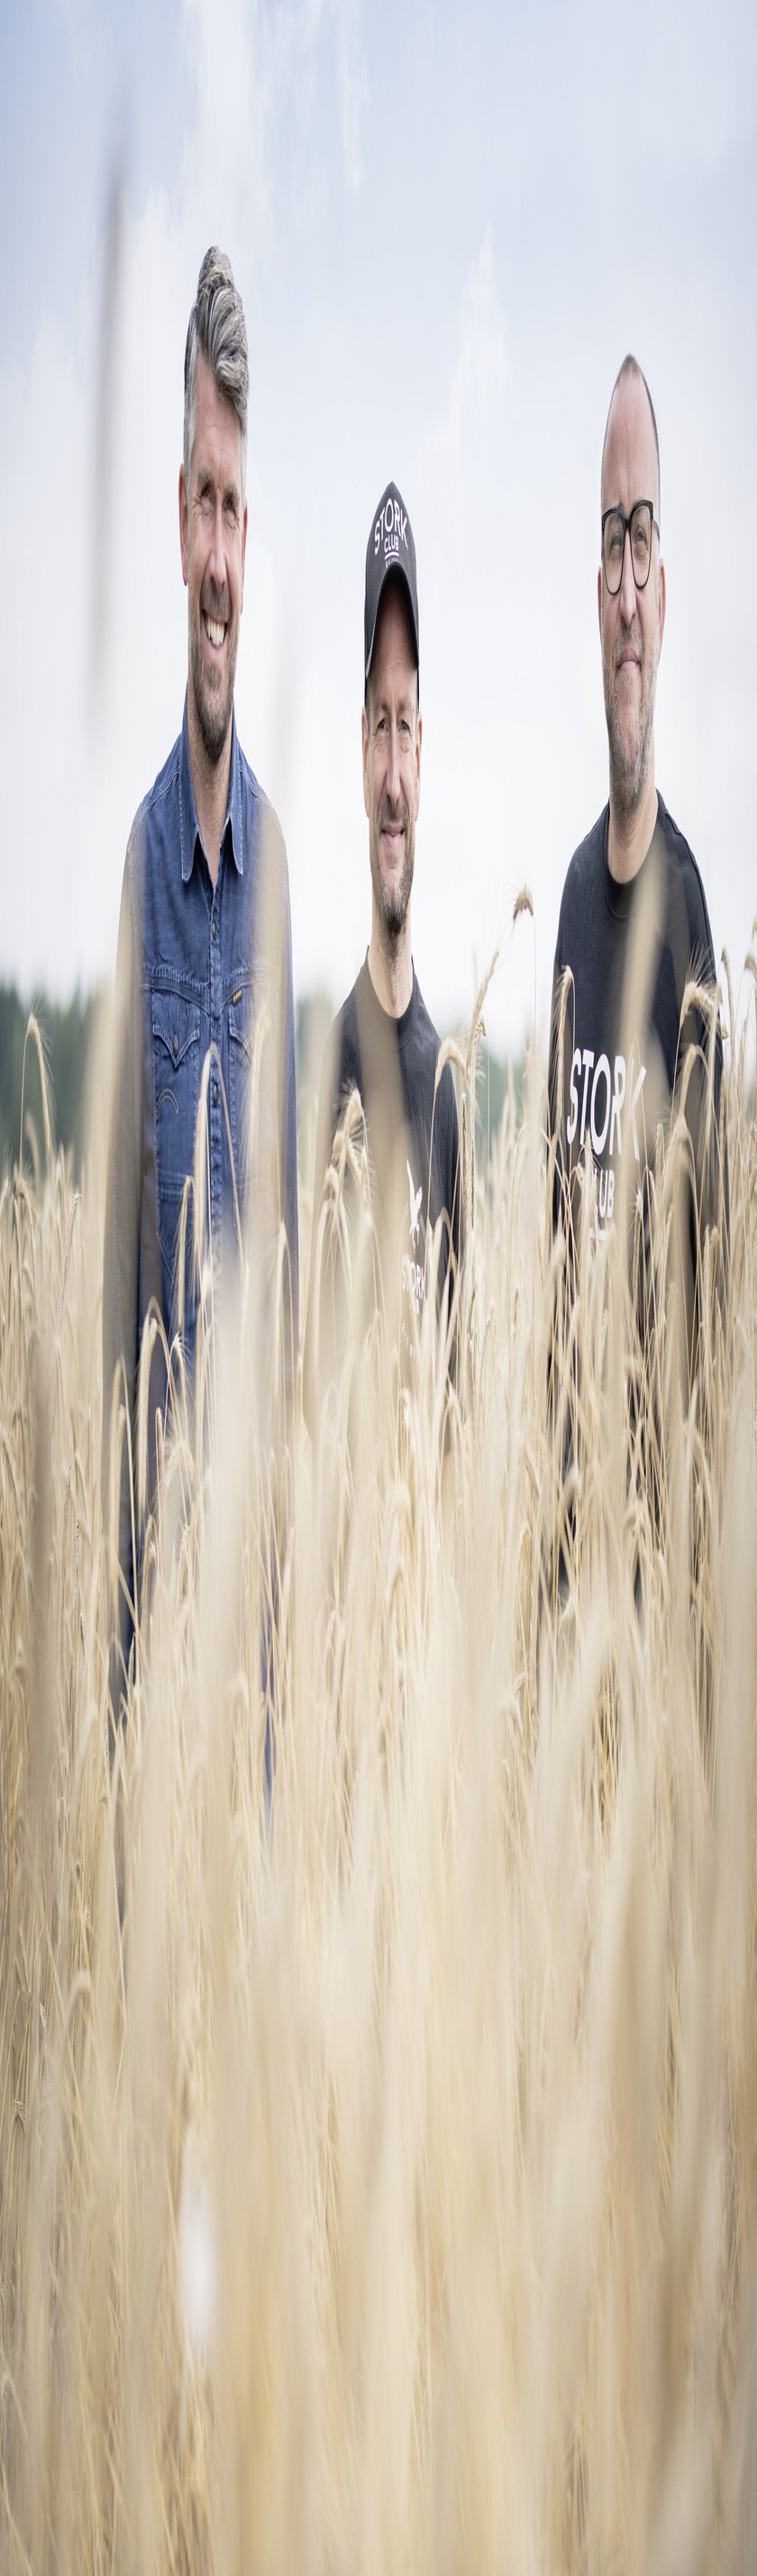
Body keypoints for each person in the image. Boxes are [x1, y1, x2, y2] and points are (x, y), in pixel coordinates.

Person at [102, 247, 298, 1730]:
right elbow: (116, 1308)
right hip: (159, 1639)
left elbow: (290, 1271)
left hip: (256, 1651)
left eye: (241, 509)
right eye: (205, 504)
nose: (221, 554)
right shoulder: (140, 864)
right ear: (176, 524)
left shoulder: (283, 871)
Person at [549, 355, 727, 1538]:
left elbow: (720, 1302)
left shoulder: (692, 913)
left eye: (641, 542)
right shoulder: (565, 904)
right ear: (595, 585)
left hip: (664, 1594)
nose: (622, 586)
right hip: (570, 1581)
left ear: (663, 596)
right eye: (608, 542)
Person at [305, 480, 461, 1431]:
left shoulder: (446, 1086)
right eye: (379, 726)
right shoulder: (326, 1073)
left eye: (407, 725)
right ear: (358, 752)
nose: (395, 777)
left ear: (422, 752)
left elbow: (455, 1408)